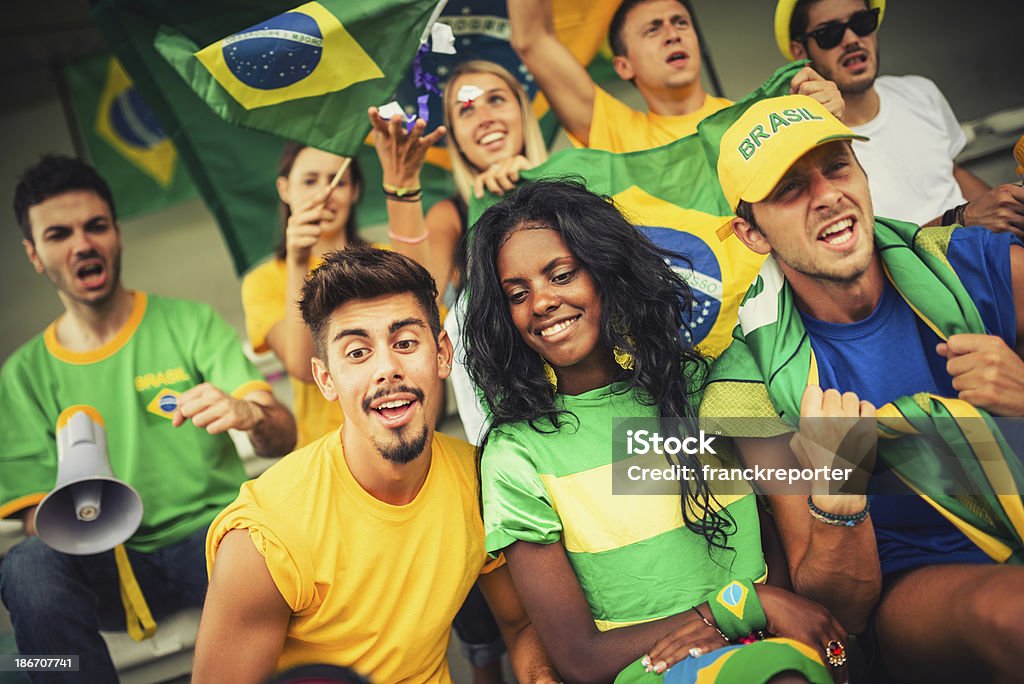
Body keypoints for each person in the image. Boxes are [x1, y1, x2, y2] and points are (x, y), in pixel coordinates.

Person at [462, 179, 842, 683]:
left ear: (604, 271)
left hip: (771, 642)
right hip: (651, 672)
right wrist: (744, 609)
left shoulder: (705, 381)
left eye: (561, 274)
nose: (542, 301)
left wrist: (761, 610)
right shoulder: (517, 455)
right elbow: (579, 658)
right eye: (517, 293)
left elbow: (770, 534)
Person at [702, 93, 1024, 681]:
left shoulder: (971, 263)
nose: (827, 195)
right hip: (914, 586)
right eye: (790, 188)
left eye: (838, 166)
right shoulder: (746, 383)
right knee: (1011, 616)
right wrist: (835, 502)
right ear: (752, 234)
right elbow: (842, 609)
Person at [194, 247, 556, 684]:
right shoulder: (263, 539)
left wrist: (540, 677)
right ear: (326, 378)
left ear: (442, 354)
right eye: (357, 353)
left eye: (405, 343)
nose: (387, 369)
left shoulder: (479, 480)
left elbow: (520, 625)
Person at [0, 154, 296, 683]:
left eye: (95, 226)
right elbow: (32, 520)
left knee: (260, 540)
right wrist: (84, 508)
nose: (82, 245)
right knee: (26, 565)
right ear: (34, 254)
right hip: (107, 567)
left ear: (116, 233)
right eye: (59, 234)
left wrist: (247, 411)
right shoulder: (22, 376)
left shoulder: (188, 322)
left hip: (211, 542)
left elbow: (282, 434)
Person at [369, 59, 549, 445]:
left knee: (661, 489)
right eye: (466, 110)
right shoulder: (449, 216)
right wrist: (400, 185)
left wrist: (539, 189)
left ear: (523, 110)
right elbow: (412, 300)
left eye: (496, 99)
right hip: (519, 431)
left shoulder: (583, 181)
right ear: (454, 136)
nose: (483, 117)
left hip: (610, 404)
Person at [775, 0, 1024, 233]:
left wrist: (1010, 209)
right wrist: (961, 219)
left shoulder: (919, 90)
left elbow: (950, 172)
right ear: (800, 51)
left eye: (862, 23)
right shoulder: (806, 148)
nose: (851, 39)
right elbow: (870, 254)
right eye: (829, 33)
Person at [509, 0, 844, 153]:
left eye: (680, 22)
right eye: (653, 29)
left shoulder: (755, 119)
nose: (672, 34)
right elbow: (533, 40)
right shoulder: (614, 130)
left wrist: (823, 119)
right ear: (623, 65)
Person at [241, 145, 372, 448]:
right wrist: (298, 262)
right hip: (324, 451)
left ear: (354, 191)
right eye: (310, 180)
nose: (325, 193)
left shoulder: (385, 259)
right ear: (284, 189)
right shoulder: (263, 281)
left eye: (337, 181)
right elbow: (302, 367)